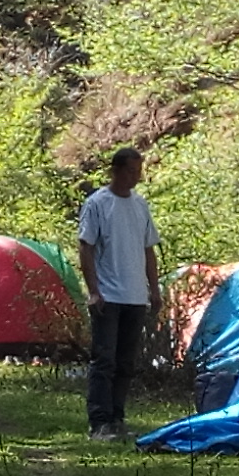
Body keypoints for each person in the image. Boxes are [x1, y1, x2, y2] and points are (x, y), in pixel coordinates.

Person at [75, 145, 161, 440]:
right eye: (130, 171)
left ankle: (117, 417)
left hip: (135, 296)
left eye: (139, 171)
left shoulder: (140, 205)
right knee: (104, 360)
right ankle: (99, 422)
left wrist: (154, 289)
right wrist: (93, 291)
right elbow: (86, 247)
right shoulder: (98, 204)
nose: (135, 177)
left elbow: (148, 250)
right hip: (108, 296)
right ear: (116, 171)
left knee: (126, 362)